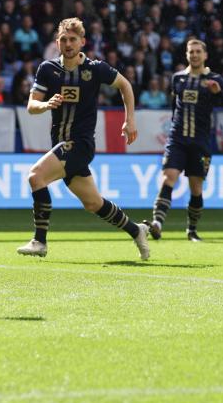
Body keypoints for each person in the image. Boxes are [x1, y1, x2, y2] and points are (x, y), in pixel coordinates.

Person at [16, 18, 150, 260]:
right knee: (93, 203)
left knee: (36, 177)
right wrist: (46, 104)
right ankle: (136, 230)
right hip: (61, 145)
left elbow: (125, 85)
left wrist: (130, 120)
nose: (68, 44)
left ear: (82, 42)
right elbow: (31, 105)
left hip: (80, 144)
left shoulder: (95, 68)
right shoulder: (47, 69)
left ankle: (40, 241)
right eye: (63, 40)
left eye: (72, 39)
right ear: (57, 42)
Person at [148, 38, 223, 242]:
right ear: (187, 55)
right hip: (177, 139)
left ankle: (192, 230)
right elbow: (174, 106)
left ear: (205, 55)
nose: (195, 55)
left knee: (196, 187)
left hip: (200, 142)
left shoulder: (215, 79)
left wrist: (218, 94)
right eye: (191, 52)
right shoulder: (178, 78)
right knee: (168, 177)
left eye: (198, 51)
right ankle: (157, 224)